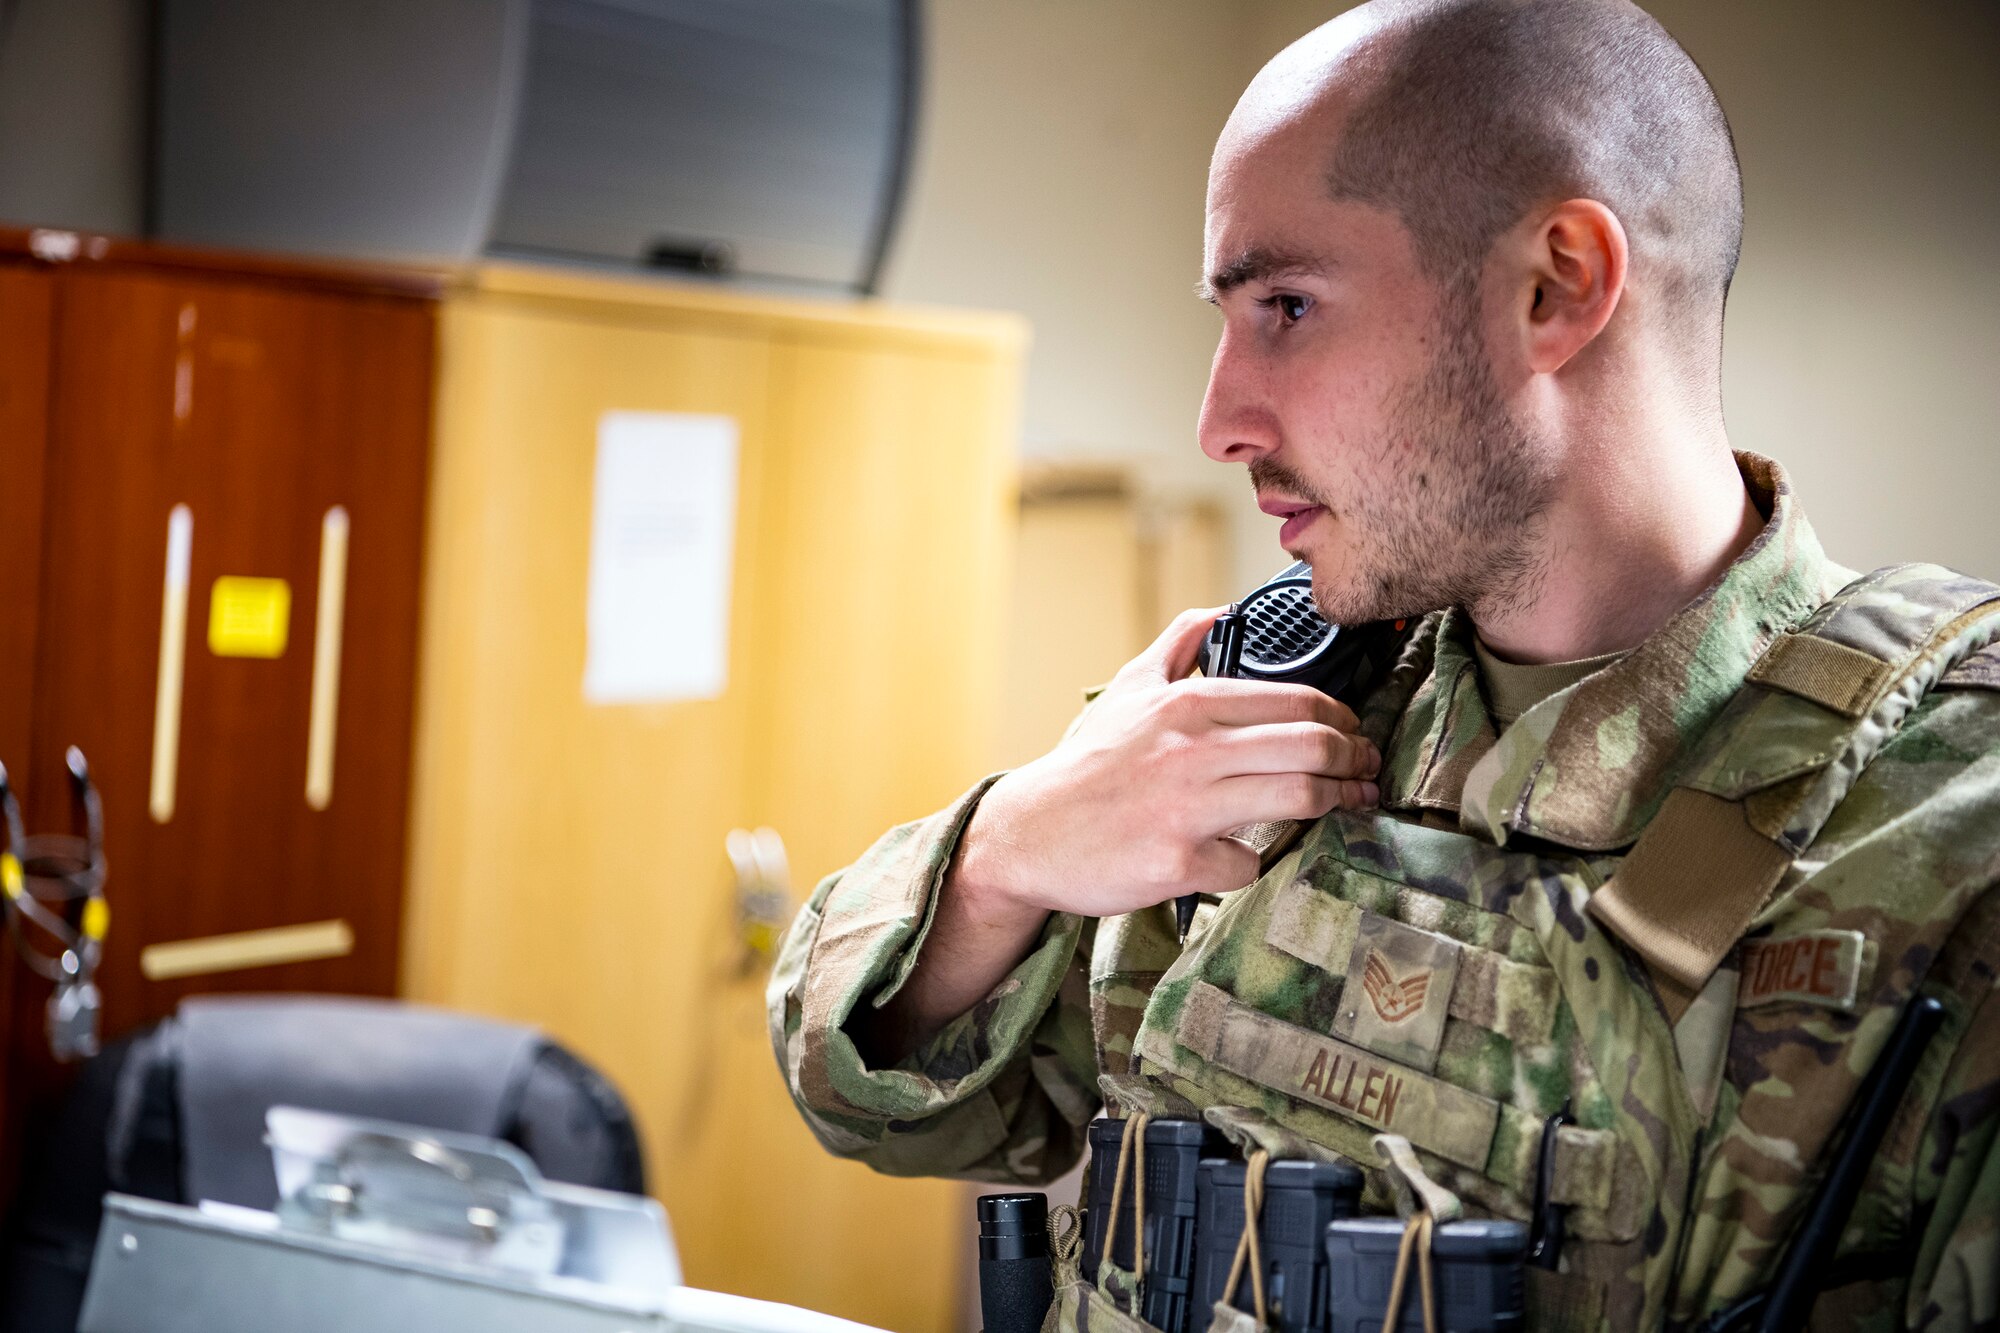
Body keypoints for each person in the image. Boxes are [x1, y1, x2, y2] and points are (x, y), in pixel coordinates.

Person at [766, 0, 2000, 1328]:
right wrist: (1009, 848)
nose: (1220, 418)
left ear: (1558, 285)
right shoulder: (1272, 705)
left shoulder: (1951, 843)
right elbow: (871, 1096)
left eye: (1287, 305)